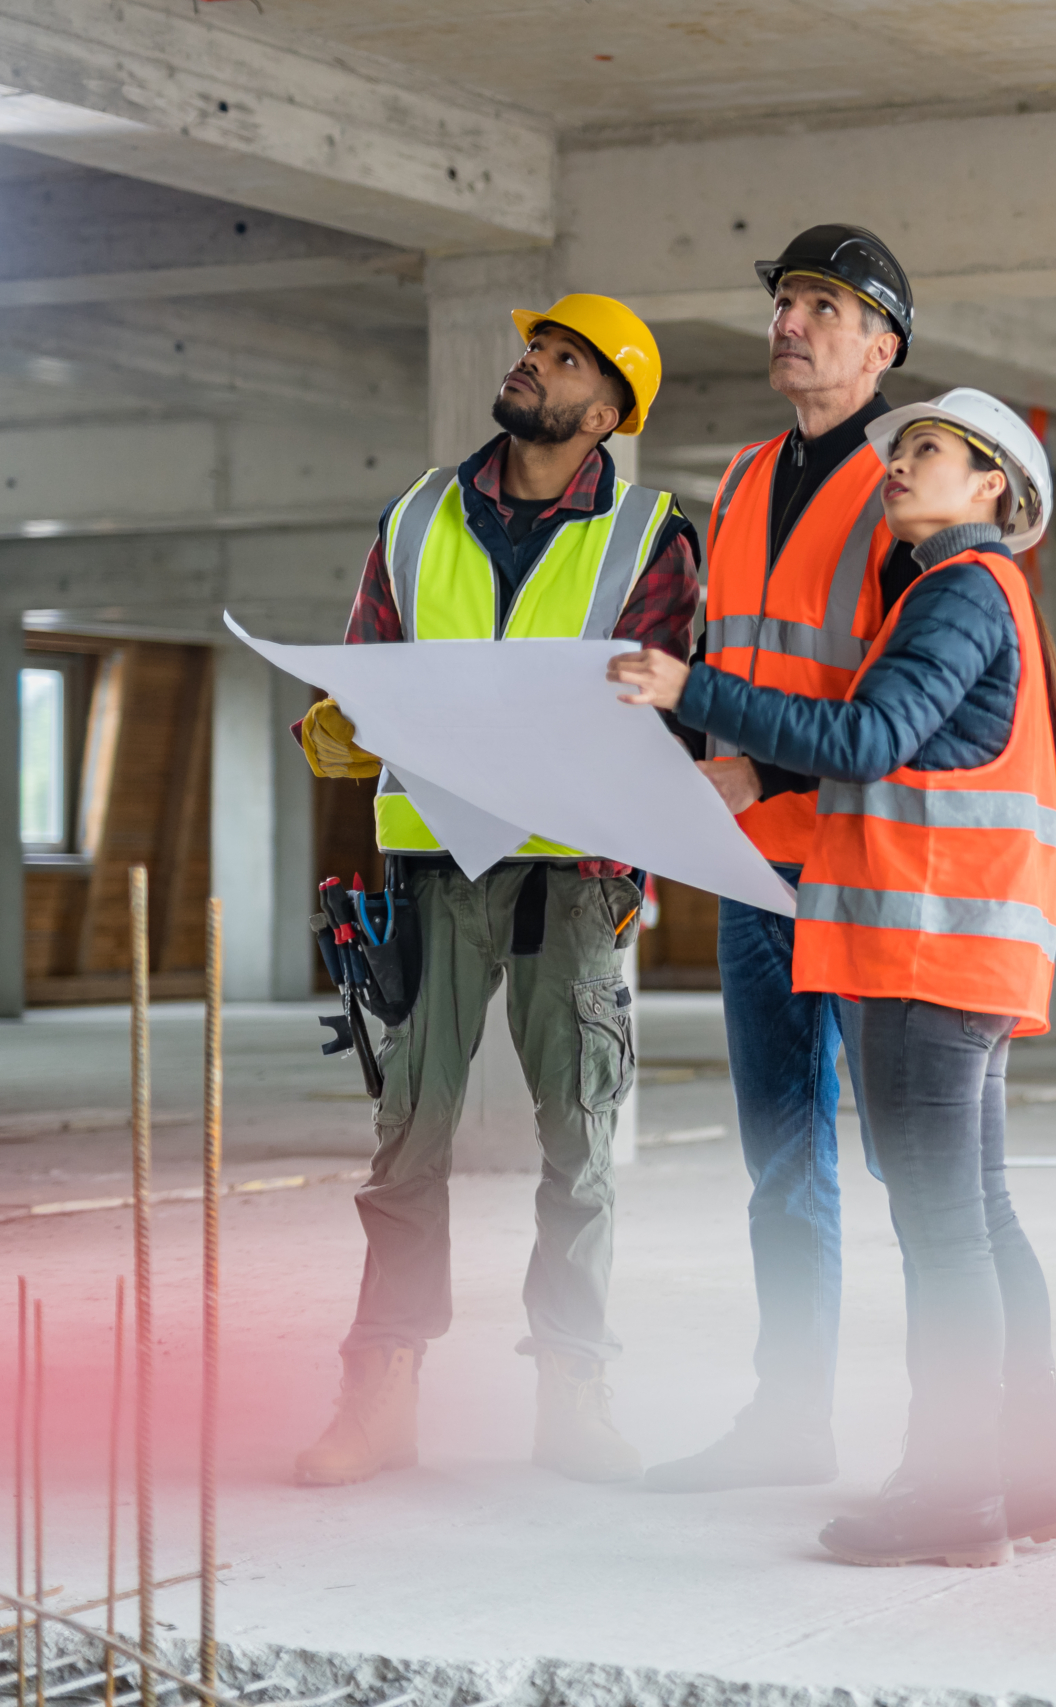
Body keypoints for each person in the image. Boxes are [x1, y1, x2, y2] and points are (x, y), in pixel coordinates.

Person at [609, 387, 1056, 1569]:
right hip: (959, 956)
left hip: (924, 957)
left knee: (945, 1239)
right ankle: (1037, 1477)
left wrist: (693, 692)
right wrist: (759, 785)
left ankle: (954, 1494)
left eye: (925, 449)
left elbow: (869, 739)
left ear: (992, 489)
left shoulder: (961, 591)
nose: (896, 463)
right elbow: (892, 761)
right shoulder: (973, 597)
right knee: (976, 1223)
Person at [290, 294, 700, 1486]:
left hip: (572, 875)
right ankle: (382, 1396)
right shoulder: (419, 514)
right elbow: (368, 662)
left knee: (578, 1143)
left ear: (609, 408)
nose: (532, 363)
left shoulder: (649, 535)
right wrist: (341, 723)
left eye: (563, 357)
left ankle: (574, 1391)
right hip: (426, 863)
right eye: (534, 347)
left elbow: (662, 700)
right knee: (406, 1142)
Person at [646, 225, 917, 1495]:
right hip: (754, 874)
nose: (790, 320)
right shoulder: (743, 477)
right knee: (781, 1164)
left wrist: (767, 767)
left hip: (862, 870)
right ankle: (791, 1418)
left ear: (882, 346)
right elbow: (727, 662)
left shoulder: (911, 485)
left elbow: (905, 705)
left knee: (916, 1173)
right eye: (786, 301)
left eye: (822, 304)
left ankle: (951, 1437)